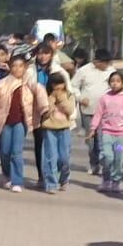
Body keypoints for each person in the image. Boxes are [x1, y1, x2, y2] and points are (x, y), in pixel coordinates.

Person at [0, 54, 37, 193]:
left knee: (16, 152)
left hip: (20, 123)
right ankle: (7, 175)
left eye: (20, 66)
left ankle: (17, 181)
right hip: (4, 122)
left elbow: (40, 100)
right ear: (10, 67)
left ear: (25, 68)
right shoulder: (1, 84)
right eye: (14, 66)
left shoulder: (29, 84)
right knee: (5, 151)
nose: (17, 69)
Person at [28, 43, 70, 188]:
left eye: (46, 53)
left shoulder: (60, 72)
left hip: (58, 115)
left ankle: (60, 176)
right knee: (40, 146)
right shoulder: (30, 71)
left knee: (60, 152)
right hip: (38, 113)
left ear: (51, 55)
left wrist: (69, 113)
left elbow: (68, 93)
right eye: (40, 53)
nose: (43, 56)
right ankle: (43, 176)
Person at [73, 48, 116, 176]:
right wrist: (80, 98)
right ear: (96, 61)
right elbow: (73, 86)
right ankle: (94, 163)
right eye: (104, 63)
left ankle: (104, 165)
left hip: (105, 112)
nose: (106, 66)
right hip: (88, 111)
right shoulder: (83, 71)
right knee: (91, 140)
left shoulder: (111, 71)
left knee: (103, 140)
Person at [91, 71, 123, 193]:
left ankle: (116, 181)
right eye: (112, 81)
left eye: (118, 81)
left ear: (122, 83)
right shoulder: (104, 98)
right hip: (107, 133)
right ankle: (106, 180)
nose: (115, 84)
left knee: (118, 158)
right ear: (109, 83)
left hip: (120, 136)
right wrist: (93, 128)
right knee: (107, 156)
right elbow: (98, 114)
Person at [39, 71, 75, 195]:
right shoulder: (47, 95)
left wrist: (62, 98)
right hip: (49, 129)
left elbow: (70, 110)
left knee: (64, 157)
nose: (58, 87)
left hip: (64, 129)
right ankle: (50, 183)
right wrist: (52, 99)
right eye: (55, 85)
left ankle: (64, 178)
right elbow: (44, 112)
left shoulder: (69, 95)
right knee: (50, 157)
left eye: (60, 84)